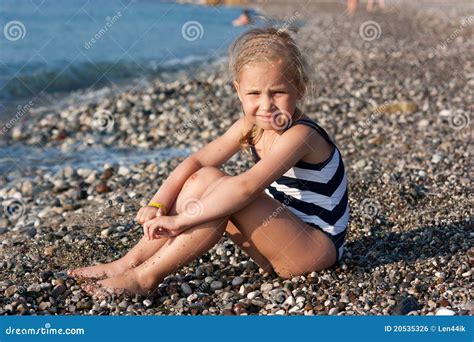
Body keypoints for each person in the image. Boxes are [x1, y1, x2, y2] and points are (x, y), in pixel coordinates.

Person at [69, 27, 350, 297]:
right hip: (275, 241)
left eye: (277, 92)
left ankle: (144, 279)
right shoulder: (249, 126)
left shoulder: (301, 135)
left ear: (299, 89)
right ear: (238, 90)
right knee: (205, 177)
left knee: (225, 189)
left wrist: (180, 220)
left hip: (311, 250)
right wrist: (158, 204)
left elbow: (247, 187)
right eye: (254, 94)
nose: (266, 105)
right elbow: (197, 160)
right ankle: (129, 263)